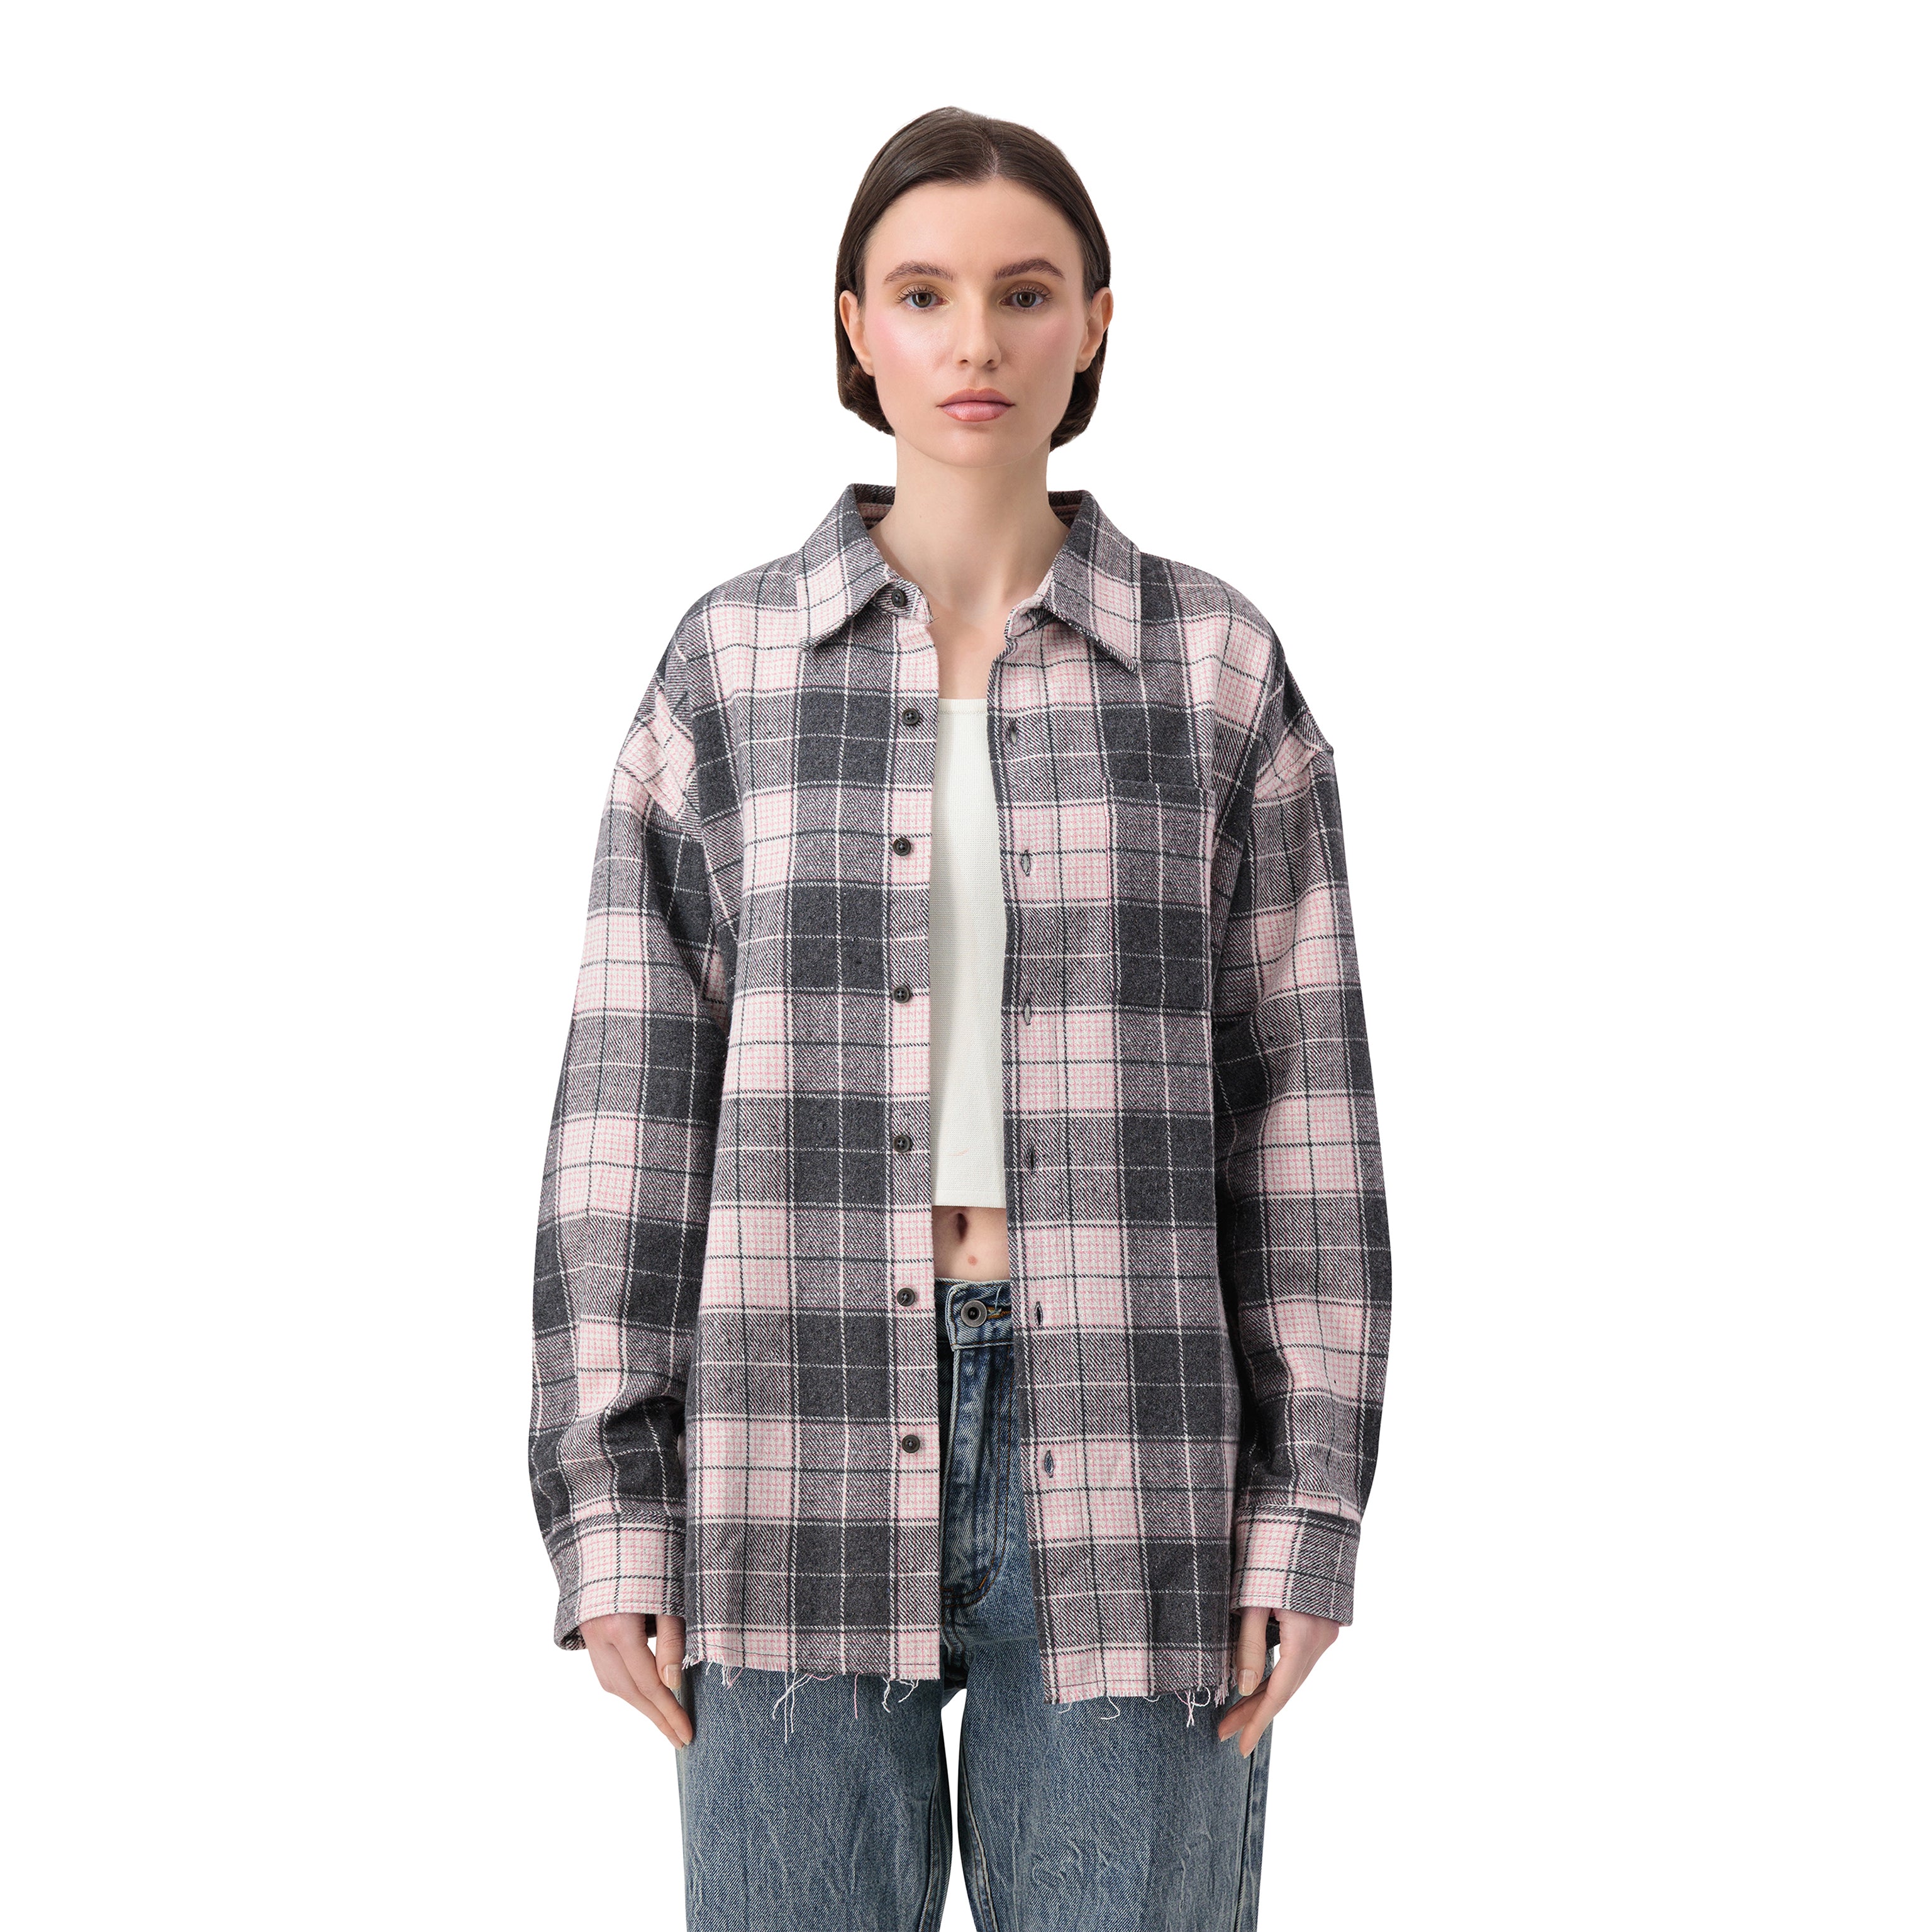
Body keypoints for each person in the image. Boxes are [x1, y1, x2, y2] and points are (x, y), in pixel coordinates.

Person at [529, 105, 1391, 1931]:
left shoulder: (1216, 670)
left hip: (1140, 1451)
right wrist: (609, 1505)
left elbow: (1305, 1116)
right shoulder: (730, 669)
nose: (975, 339)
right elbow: (630, 1109)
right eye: (923, 294)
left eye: (1025, 292)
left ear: (1096, 324)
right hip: (786, 1441)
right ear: (855, 326)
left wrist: (1310, 1509)